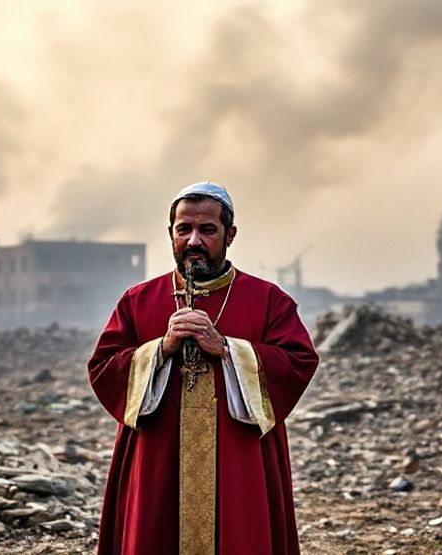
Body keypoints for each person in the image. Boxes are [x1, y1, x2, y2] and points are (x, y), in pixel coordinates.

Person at [88, 181, 319, 554]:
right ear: (171, 234)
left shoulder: (268, 301)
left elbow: (298, 360)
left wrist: (228, 349)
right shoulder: (138, 301)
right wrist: (160, 350)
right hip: (157, 462)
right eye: (184, 229)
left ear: (230, 235)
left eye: (207, 230)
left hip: (238, 461)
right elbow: (103, 368)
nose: (194, 240)